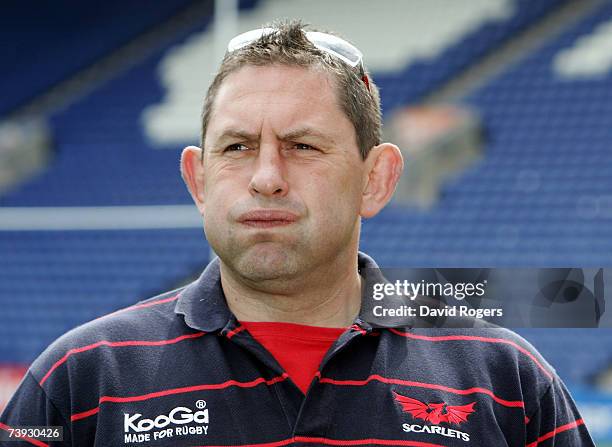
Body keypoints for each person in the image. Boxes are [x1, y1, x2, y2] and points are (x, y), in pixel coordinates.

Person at [0, 20, 594, 447]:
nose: (265, 178)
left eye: (302, 146)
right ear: (197, 178)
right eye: (237, 147)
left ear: (376, 179)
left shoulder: (505, 379)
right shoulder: (80, 378)